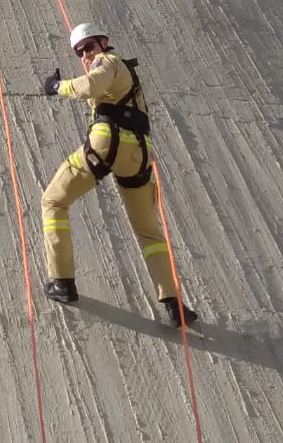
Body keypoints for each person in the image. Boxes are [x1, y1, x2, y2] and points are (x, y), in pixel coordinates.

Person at [41, 22, 198, 327]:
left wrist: (57, 87)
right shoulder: (127, 74)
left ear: (104, 42)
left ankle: (63, 283)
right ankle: (173, 304)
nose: (86, 55)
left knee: (53, 202)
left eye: (89, 46)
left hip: (107, 142)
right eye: (80, 52)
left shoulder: (108, 61)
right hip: (138, 154)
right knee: (149, 231)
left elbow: (92, 85)